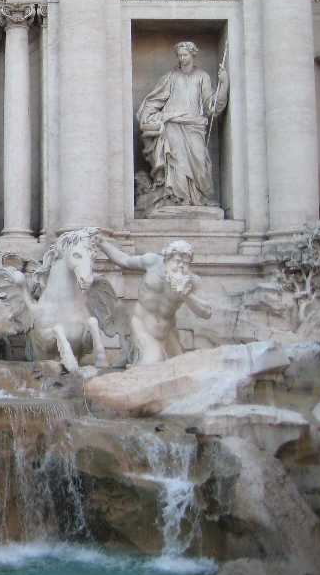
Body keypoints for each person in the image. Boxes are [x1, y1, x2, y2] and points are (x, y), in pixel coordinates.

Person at [137, 41, 228, 207]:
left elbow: (211, 106)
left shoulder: (202, 76)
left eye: (184, 55)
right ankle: (178, 199)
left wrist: (224, 85)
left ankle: (199, 198)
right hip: (173, 124)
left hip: (194, 125)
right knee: (176, 161)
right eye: (179, 55)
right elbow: (155, 100)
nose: (181, 58)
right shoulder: (170, 77)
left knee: (200, 160)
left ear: (192, 55)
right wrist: (149, 115)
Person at [98, 238, 212, 364]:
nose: (181, 266)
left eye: (185, 263)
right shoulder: (152, 262)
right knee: (153, 363)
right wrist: (102, 243)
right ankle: (136, 353)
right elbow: (124, 260)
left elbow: (206, 312)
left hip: (167, 333)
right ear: (167, 258)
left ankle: (133, 358)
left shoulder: (192, 281)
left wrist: (186, 295)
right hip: (141, 325)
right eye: (177, 261)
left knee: (181, 366)